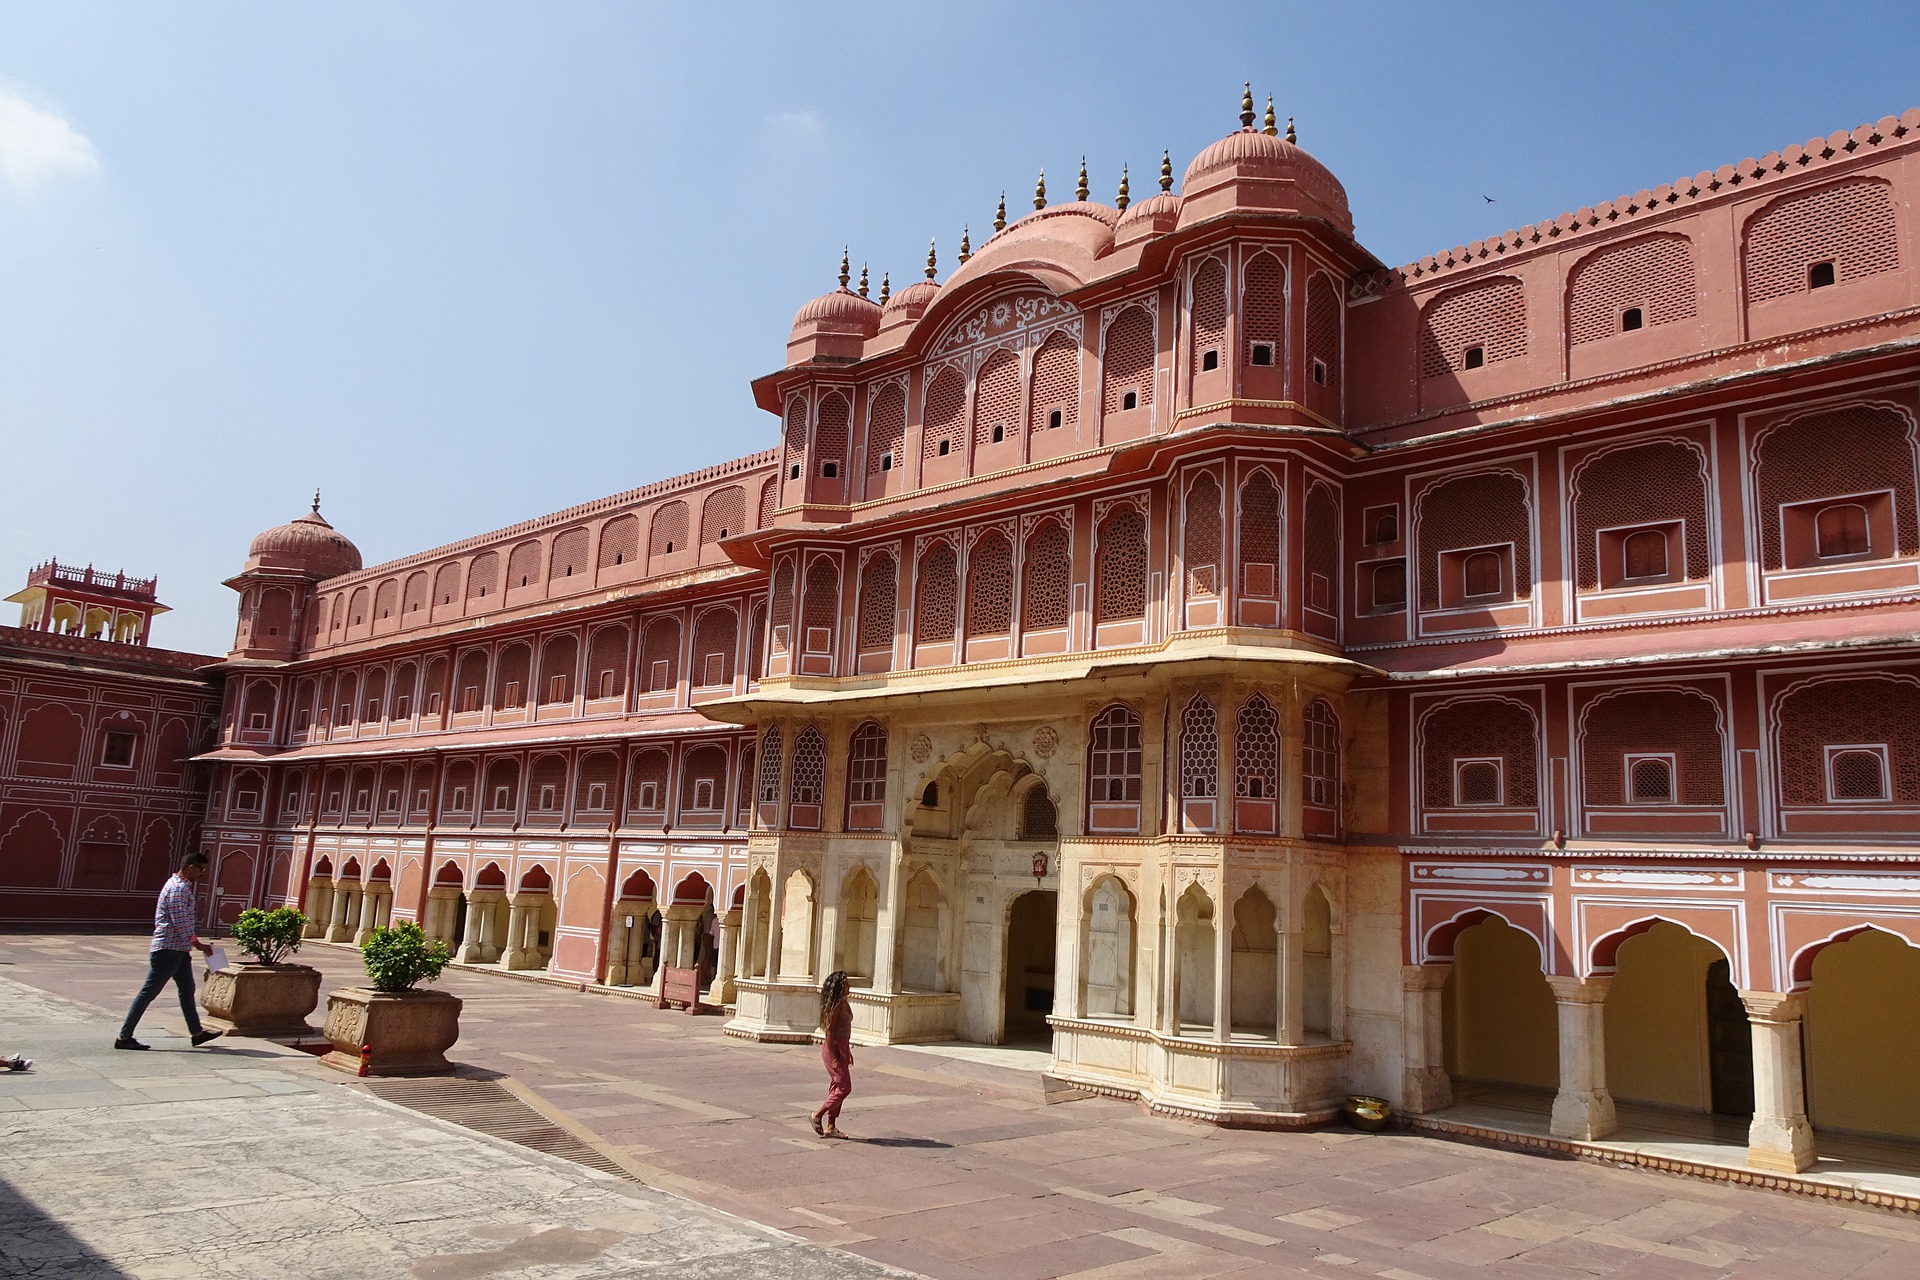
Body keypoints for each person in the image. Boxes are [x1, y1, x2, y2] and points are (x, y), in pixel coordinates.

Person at [115, 852, 222, 1051]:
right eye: (201, 869)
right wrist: (199, 944)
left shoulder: (181, 887)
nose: (202, 874)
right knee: (149, 992)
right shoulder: (177, 888)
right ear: (191, 867)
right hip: (168, 949)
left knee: (187, 990)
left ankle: (197, 1033)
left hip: (178, 950)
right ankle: (124, 1036)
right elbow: (180, 922)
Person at [809, 970, 853, 1138]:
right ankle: (817, 1115)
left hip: (841, 1048)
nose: (849, 986)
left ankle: (831, 1125)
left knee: (837, 1086)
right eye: (846, 984)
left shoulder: (843, 1003)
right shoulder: (835, 1006)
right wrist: (834, 1058)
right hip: (833, 1049)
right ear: (840, 987)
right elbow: (829, 1033)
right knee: (844, 1087)